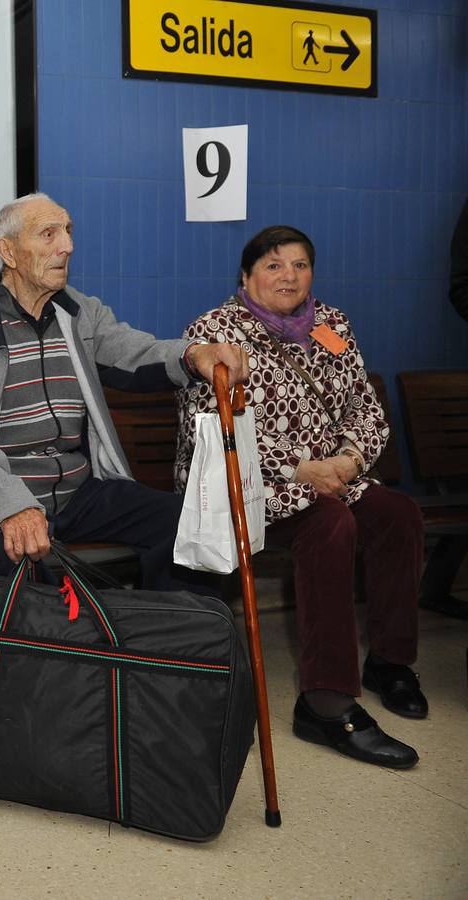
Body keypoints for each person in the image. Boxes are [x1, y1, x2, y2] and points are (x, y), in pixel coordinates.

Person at [176, 225, 426, 770]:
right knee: (330, 524)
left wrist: (351, 459)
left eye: (299, 264)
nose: (288, 275)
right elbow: (215, 432)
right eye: (273, 265)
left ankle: (389, 661)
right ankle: (326, 701)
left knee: (398, 514)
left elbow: (364, 404)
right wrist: (299, 468)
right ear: (245, 276)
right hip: (248, 487)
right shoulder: (216, 333)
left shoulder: (332, 326)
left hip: (335, 474)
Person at [0, 193, 247, 590]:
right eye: (49, 234)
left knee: (190, 526)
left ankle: (166, 646)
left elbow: (132, 352)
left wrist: (193, 355)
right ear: (8, 251)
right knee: (20, 568)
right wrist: (13, 505)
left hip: (76, 492)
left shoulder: (77, 313)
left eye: (68, 231)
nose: (67, 246)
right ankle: (46, 651)